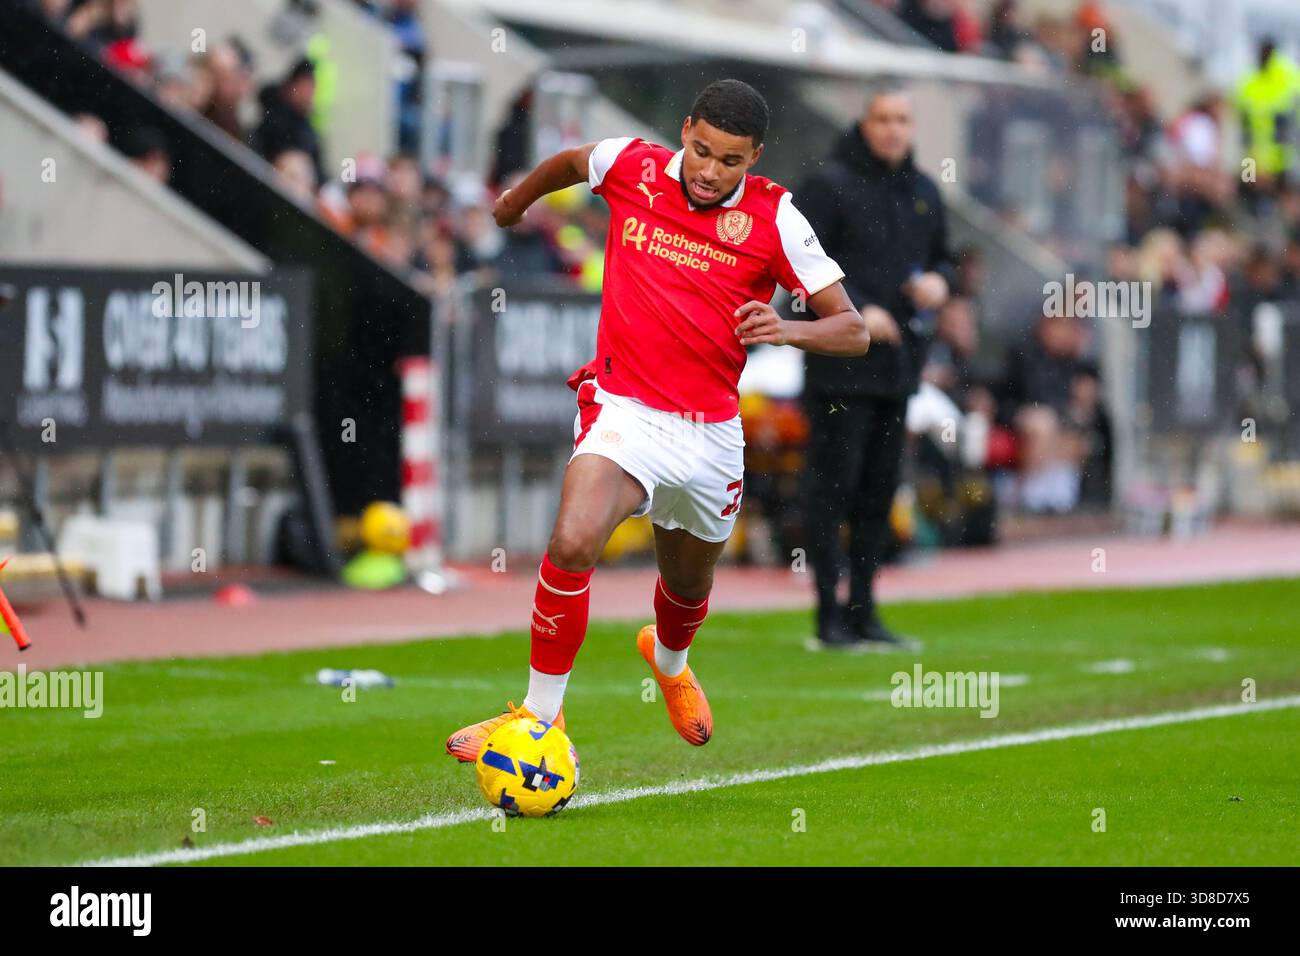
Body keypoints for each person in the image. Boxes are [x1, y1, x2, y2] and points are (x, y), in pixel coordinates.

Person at [445, 79, 869, 759]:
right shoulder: (632, 166)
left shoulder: (776, 219)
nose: (709, 171)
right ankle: (537, 717)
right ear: (685, 129)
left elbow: (853, 330)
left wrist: (787, 330)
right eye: (701, 151)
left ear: (754, 157)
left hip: (710, 434)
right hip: (626, 409)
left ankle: (669, 663)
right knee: (574, 540)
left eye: (730, 161)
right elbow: (569, 163)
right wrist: (513, 202)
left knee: (686, 585)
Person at [796, 86, 955, 650]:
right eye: (882, 118)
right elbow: (801, 267)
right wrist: (857, 308)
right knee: (832, 488)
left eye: (902, 120)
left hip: (898, 369)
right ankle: (826, 615)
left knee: (879, 492)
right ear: (863, 123)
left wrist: (941, 281)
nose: (892, 129)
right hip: (840, 369)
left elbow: (945, 259)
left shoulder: (922, 192)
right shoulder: (829, 184)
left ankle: (864, 611)